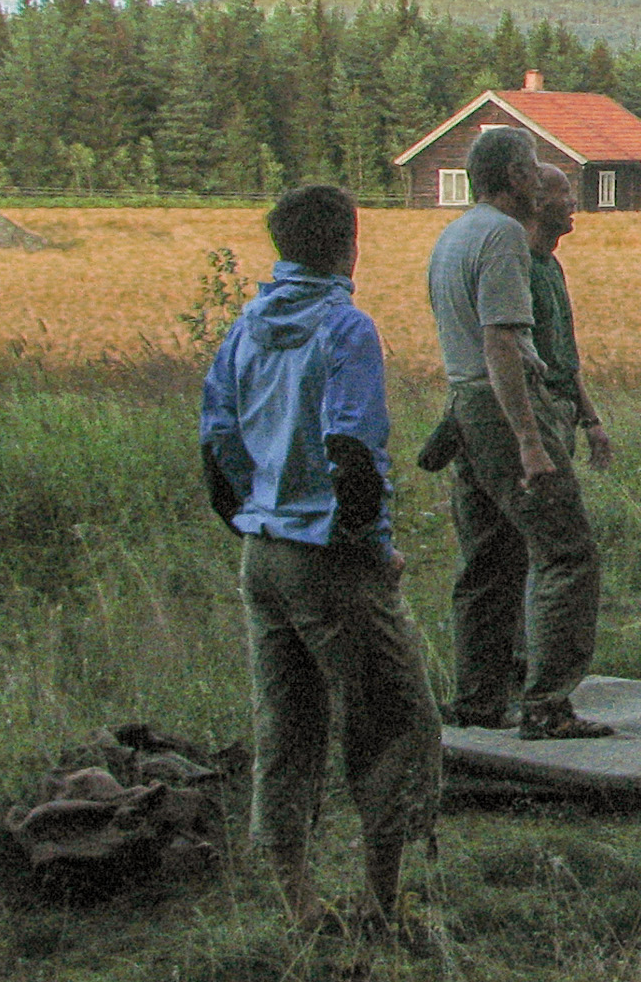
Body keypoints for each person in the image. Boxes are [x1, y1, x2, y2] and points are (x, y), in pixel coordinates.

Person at [199, 184, 439, 932]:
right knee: (397, 722)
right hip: (327, 557)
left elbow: (217, 447)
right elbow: (353, 453)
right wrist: (372, 549)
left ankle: (296, 896)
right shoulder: (345, 327)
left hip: (261, 555)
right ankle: (381, 896)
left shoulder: (243, 329)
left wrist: (254, 517)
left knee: (287, 727)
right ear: (348, 244)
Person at [426, 125, 611, 741]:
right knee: (566, 552)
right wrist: (530, 441)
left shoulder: (454, 235)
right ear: (514, 178)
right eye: (534, 168)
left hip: (464, 406)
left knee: (489, 559)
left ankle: (479, 701)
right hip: (503, 408)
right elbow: (501, 341)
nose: (544, 179)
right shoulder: (504, 236)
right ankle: (548, 705)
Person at [528, 162, 616, 472]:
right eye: (563, 192)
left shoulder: (551, 266)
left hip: (561, 412)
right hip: (538, 413)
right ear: (537, 203)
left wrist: (590, 420)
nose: (573, 201)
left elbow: (566, 355)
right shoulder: (518, 268)